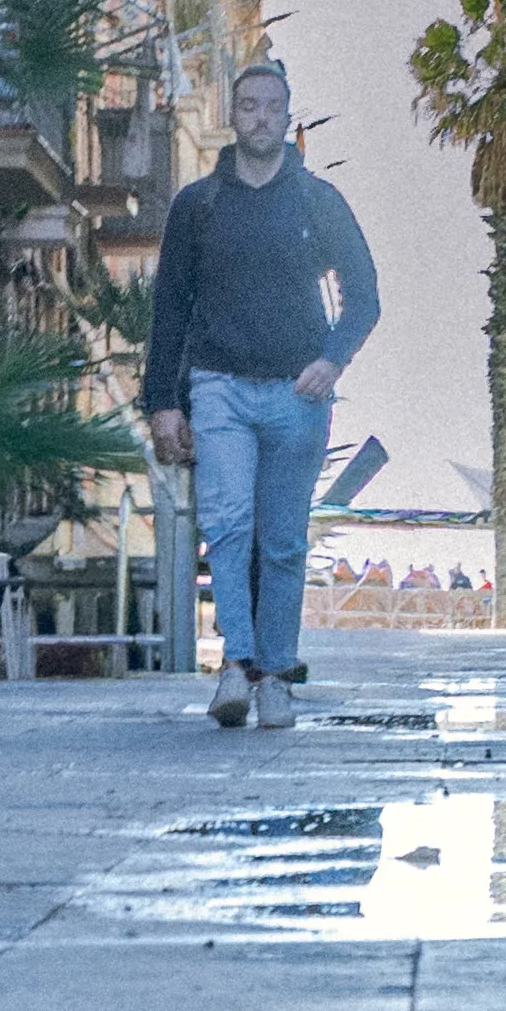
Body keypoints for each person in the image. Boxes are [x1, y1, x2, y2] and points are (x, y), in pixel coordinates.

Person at [140, 60, 382, 730]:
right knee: (228, 526)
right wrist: (163, 402)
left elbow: (365, 297)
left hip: (296, 397)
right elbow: (170, 311)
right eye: (249, 106)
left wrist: (332, 361)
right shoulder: (198, 206)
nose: (261, 118)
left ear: (288, 114)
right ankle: (235, 667)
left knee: (282, 541)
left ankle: (276, 675)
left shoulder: (316, 202)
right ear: (233, 113)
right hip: (218, 388)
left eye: (273, 106)